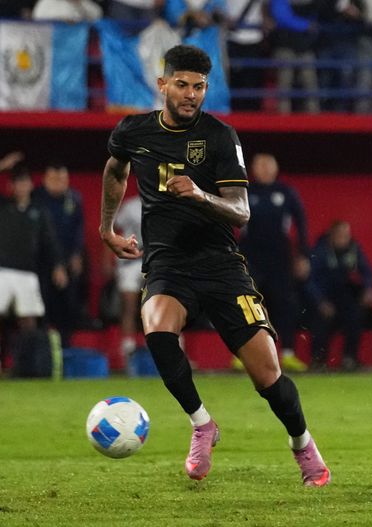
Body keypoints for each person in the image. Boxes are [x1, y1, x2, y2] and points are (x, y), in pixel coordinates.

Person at [99, 44, 330, 486]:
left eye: (199, 87)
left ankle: (302, 443)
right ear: (162, 84)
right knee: (157, 328)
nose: (190, 94)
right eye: (182, 84)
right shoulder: (133, 132)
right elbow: (115, 170)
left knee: (267, 376)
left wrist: (201, 195)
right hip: (168, 261)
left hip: (221, 264)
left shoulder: (221, 136)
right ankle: (202, 424)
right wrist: (107, 229)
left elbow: (242, 211)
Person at [238, 153, 310, 373]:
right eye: (261, 164)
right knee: (249, 307)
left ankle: (287, 354)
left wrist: (303, 255)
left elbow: (302, 224)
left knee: (284, 307)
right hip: (251, 259)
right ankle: (244, 356)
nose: (266, 168)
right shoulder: (245, 191)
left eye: (270, 164)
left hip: (280, 260)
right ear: (253, 168)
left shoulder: (286, 193)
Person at [0, 166, 68, 376]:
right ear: (11, 186)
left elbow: (50, 242)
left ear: (30, 185)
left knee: (29, 321)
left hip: (27, 273)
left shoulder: (39, 211)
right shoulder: (3, 207)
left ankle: (24, 367)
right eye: (17, 182)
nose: (21, 186)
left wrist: (58, 265)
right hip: (2, 270)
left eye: (24, 182)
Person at [305, 220, 372, 371]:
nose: (344, 239)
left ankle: (350, 358)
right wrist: (320, 302)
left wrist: (369, 288)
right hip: (323, 296)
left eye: (346, 235)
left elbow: (366, 271)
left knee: (355, 316)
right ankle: (318, 360)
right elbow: (310, 280)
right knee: (321, 320)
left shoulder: (353, 248)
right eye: (341, 235)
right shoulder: (320, 250)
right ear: (332, 235)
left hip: (343, 293)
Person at [32, 163, 87, 347]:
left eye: (63, 179)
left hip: (67, 260)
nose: (59, 183)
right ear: (45, 179)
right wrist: (55, 264)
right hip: (41, 262)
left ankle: (65, 347)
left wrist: (77, 254)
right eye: (54, 179)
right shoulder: (36, 198)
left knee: (68, 306)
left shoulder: (74, 198)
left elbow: (78, 230)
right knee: (42, 305)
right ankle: (43, 349)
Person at [112, 194, 145, 369]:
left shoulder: (165, 202)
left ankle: (174, 352)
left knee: (162, 306)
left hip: (155, 260)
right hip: (129, 262)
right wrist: (108, 261)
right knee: (129, 307)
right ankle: (128, 353)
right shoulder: (130, 207)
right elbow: (113, 232)